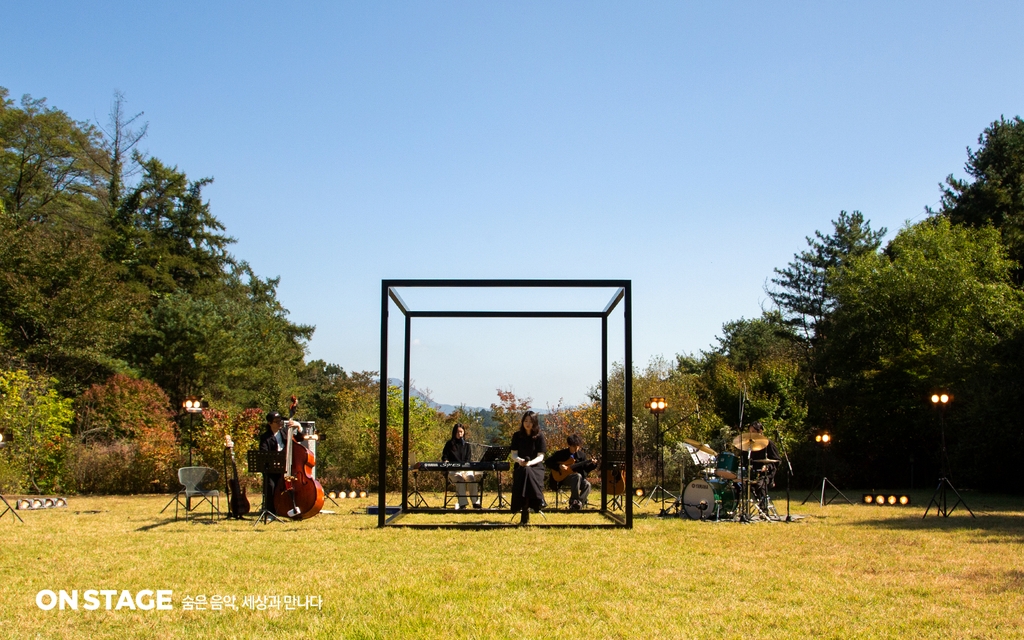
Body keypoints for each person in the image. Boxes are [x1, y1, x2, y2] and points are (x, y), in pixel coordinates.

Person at [258, 411, 303, 515]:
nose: (280, 423)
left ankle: (293, 507)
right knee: (271, 485)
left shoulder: (286, 433)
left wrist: (298, 426)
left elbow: (299, 439)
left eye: (280, 421)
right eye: (277, 421)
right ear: (270, 423)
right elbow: (264, 453)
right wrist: (274, 461)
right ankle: (271, 511)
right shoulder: (265, 437)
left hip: (287, 465)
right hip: (273, 468)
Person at [510, 410, 546, 525]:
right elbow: (513, 454)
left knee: (527, 471)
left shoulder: (540, 436)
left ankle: (525, 510)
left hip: (536, 468)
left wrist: (529, 463)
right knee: (525, 471)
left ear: (535, 422)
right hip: (521, 466)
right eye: (525, 421)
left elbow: (541, 456)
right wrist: (519, 460)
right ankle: (539, 500)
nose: (528, 424)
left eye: (530, 421)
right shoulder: (517, 436)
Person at [546, 434, 597, 511]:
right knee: (577, 476)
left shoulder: (582, 455)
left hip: (577, 479)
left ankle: (578, 504)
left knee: (587, 485)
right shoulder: (561, 454)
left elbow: (586, 469)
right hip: (563, 478)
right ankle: (573, 501)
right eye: (574, 446)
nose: (576, 448)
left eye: (578, 446)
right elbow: (548, 462)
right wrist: (559, 466)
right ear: (569, 445)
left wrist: (593, 465)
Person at [441, 423, 481, 509]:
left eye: (461, 432)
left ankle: (475, 502)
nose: (459, 434)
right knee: (460, 480)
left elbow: (468, 459)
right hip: (454, 470)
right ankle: (463, 503)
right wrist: (446, 462)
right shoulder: (449, 444)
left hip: (465, 469)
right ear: (454, 433)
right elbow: (445, 457)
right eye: (458, 432)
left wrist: (464, 467)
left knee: (471, 478)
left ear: (464, 432)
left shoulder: (466, 445)